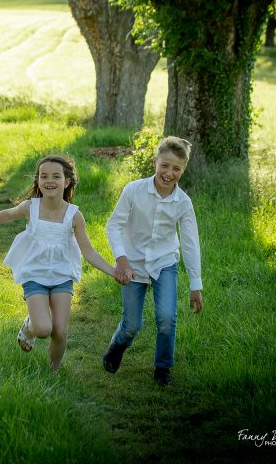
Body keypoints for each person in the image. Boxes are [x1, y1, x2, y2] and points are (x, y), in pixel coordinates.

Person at [0, 154, 126, 372]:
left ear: (66, 181)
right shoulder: (30, 207)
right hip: (35, 274)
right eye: (44, 176)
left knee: (59, 331)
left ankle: (53, 372)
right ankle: (29, 329)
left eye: (56, 176)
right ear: (38, 181)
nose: (49, 180)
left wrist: (113, 271)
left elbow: (88, 251)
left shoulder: (74, 215)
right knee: (43, 328)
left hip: (62, 276)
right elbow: (6, 214)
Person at [102, 136, 203, 387]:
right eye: (165, 165)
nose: (169, 173)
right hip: (132, 263)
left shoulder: (183, 203)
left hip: (164, 262)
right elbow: (114, 226)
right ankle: (118, 345)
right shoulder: (133, 190)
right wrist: (121, 260)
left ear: (183, 170)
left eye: (176, 168)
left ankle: (162, 368)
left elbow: (190, 243)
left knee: (167, 318)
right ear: (155, 161)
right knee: (131, 325)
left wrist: (195, 284)